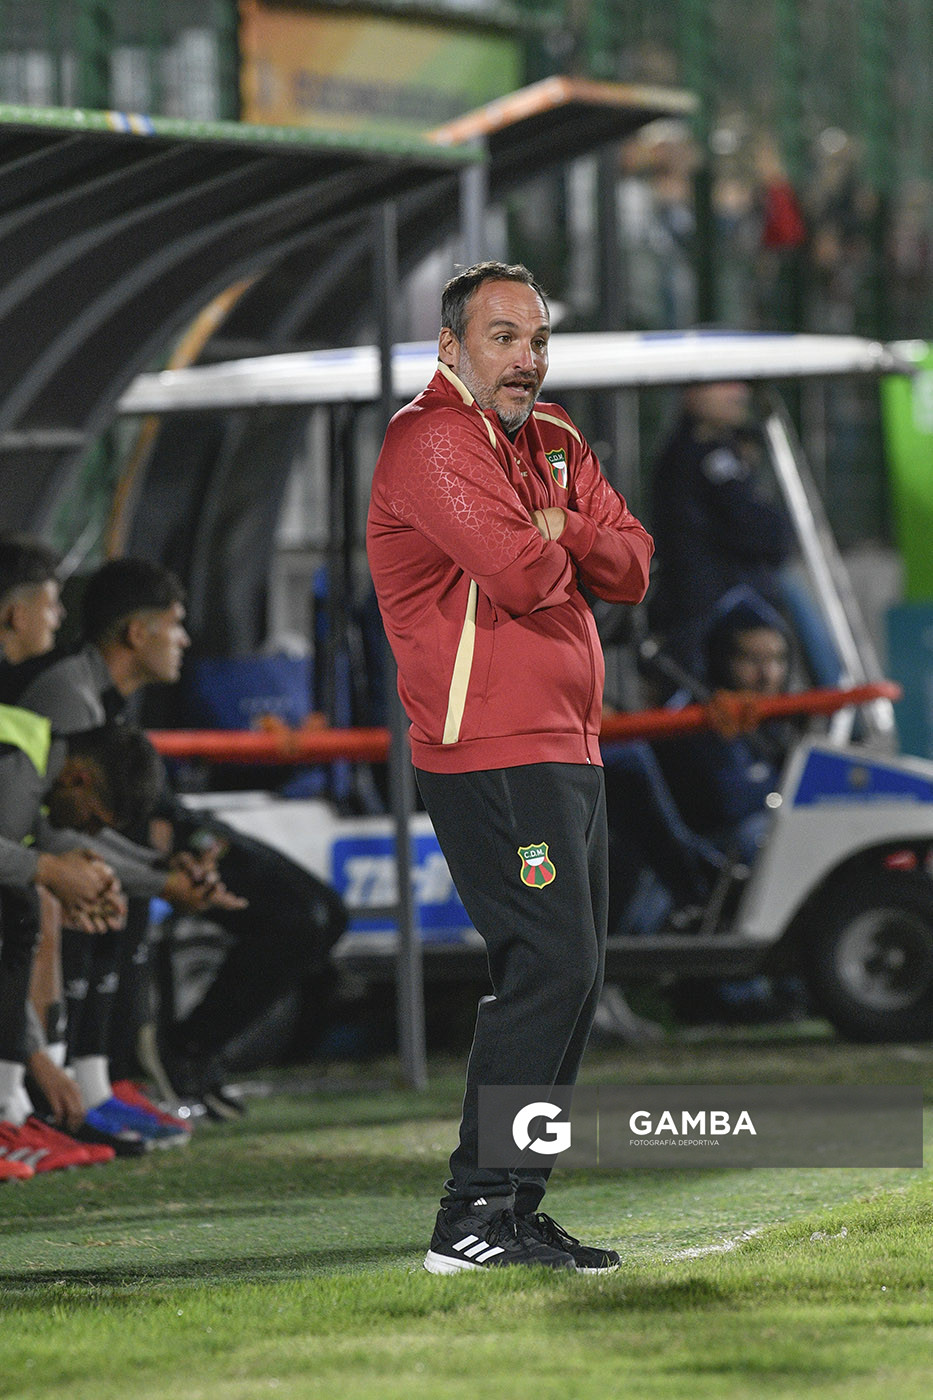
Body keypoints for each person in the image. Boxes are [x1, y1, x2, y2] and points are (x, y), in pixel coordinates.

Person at [367, 260, 653, 1273]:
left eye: (536, 339)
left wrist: (563, 523)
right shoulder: (431, 437)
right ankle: (472, 1213)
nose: (526, 358)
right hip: (488, 750)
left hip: (567, 744)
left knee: (572, 974)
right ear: (452, 347)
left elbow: (633, 563)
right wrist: (563, 540)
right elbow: (524, 577)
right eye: (503, 338)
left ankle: (514, 1206)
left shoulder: (558, 439)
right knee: (552, 965)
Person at [17, 557, 345, 1118]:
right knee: (98, 885)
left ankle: (140, 1066)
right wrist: (160, 873)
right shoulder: (67, 695)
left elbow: (138, 811)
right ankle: (87, 1082)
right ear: (136, 632)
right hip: (76, 860)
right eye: (175, 623)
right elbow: (64, 821)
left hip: (167, 844)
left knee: (315, 913)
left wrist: (186, 854)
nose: (186, 639)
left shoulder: (113, 693)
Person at [647, 379, 793, 682]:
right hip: (708, 615)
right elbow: (762, 530)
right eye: (724, 383)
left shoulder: (711, 449)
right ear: (692, 392)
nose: (739, 393)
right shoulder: (701, 455)